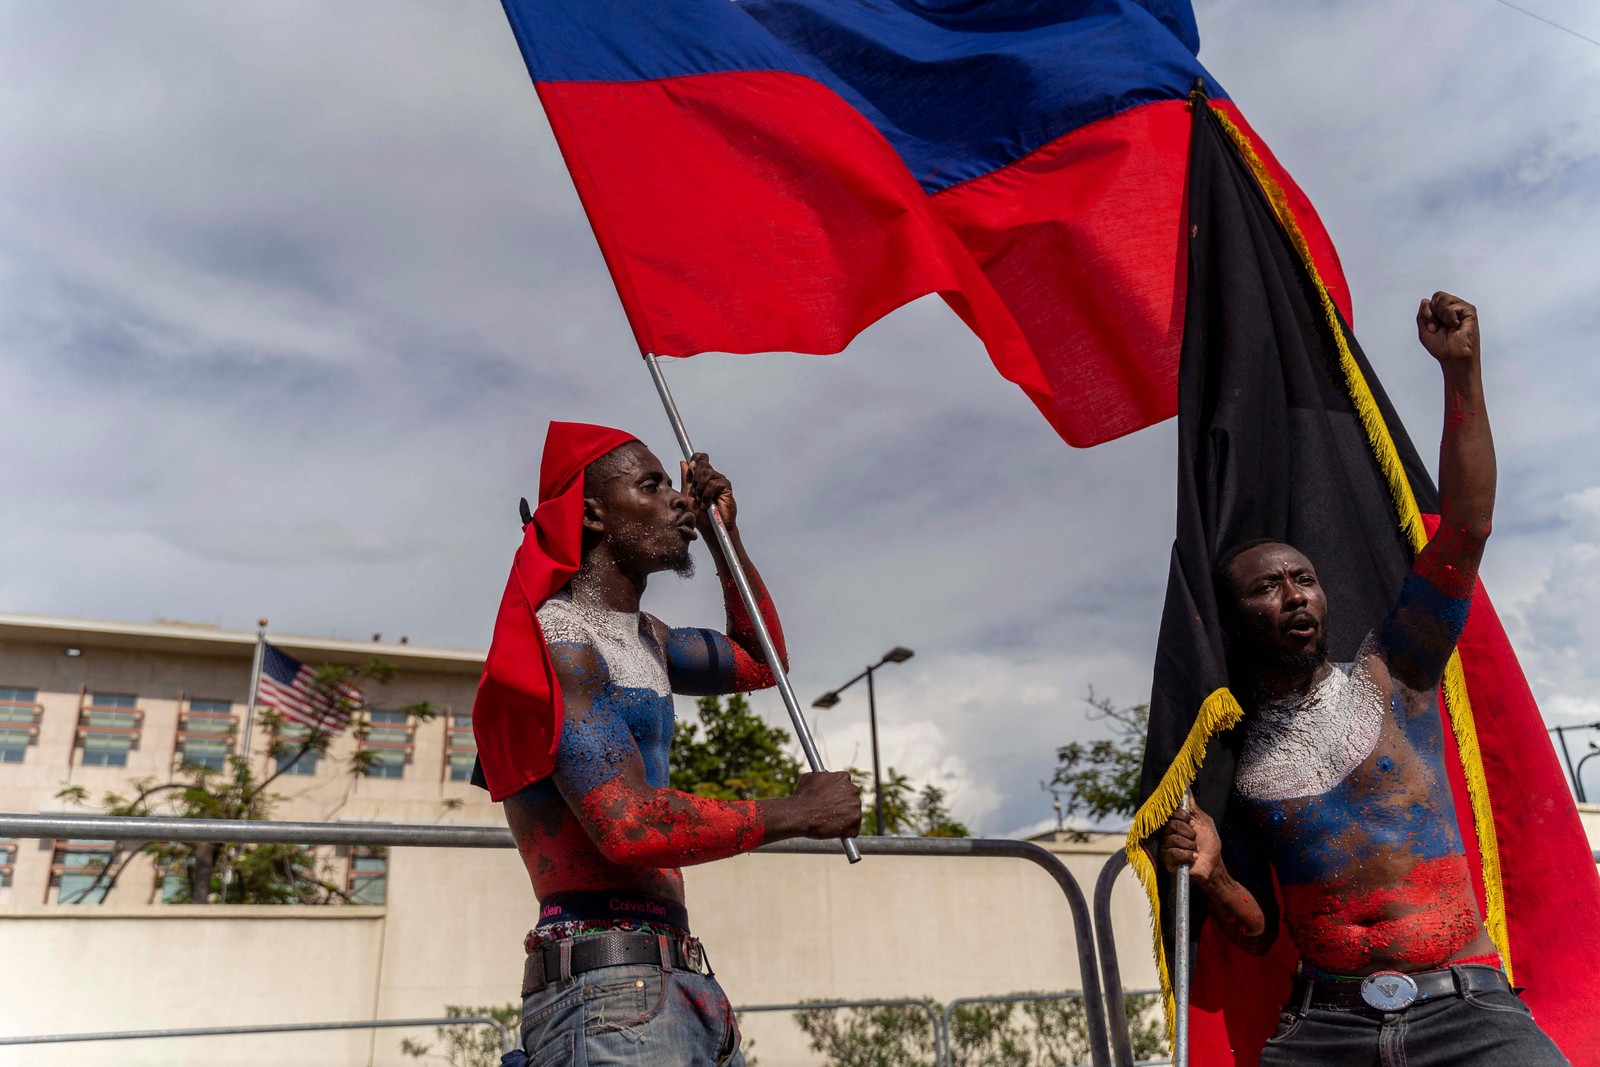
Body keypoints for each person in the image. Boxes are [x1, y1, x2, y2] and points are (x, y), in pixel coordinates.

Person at [1160, 293, 1569, 1065]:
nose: (1295, 594)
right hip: (1327, 1024)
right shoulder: (1232, 756)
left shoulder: (1397, 672)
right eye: (1269, 586)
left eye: (1304, 578)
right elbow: (1255, 933)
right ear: (1234, 617)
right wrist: (1210, 872)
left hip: (1467, 1008)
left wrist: (1462, 372)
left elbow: (1468, 527)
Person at [472, 423, 861, 1066]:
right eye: (651, 486)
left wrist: (723, 537)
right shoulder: (560, 643)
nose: (679, 498)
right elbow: (627, 827)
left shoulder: (647, 636)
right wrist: (799, 812)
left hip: (667, 981)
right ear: (592, 514)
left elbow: (762, 660)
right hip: (607, 997)